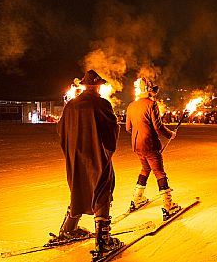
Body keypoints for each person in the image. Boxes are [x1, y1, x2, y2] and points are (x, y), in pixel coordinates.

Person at [52, 70, 122, 258]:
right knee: (102, 187)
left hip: (75, 155)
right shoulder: (101, 104)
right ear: (98, 86)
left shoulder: (71, 105)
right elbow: (111, 129)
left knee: (78, 188)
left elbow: (61, 130)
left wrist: (71, 149)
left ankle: (69, 228)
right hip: (96, 154)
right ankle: (103, 238)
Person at [126, 77, 180, 219]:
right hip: (149, 145)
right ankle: (168, 205)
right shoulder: (152, 104)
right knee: (159, 172)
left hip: (137, 145)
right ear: (149, 91)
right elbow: (158, 127)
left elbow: (128, 128)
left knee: (145, 168)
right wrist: (170, 135)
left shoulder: (131, 105)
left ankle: (137, 198)